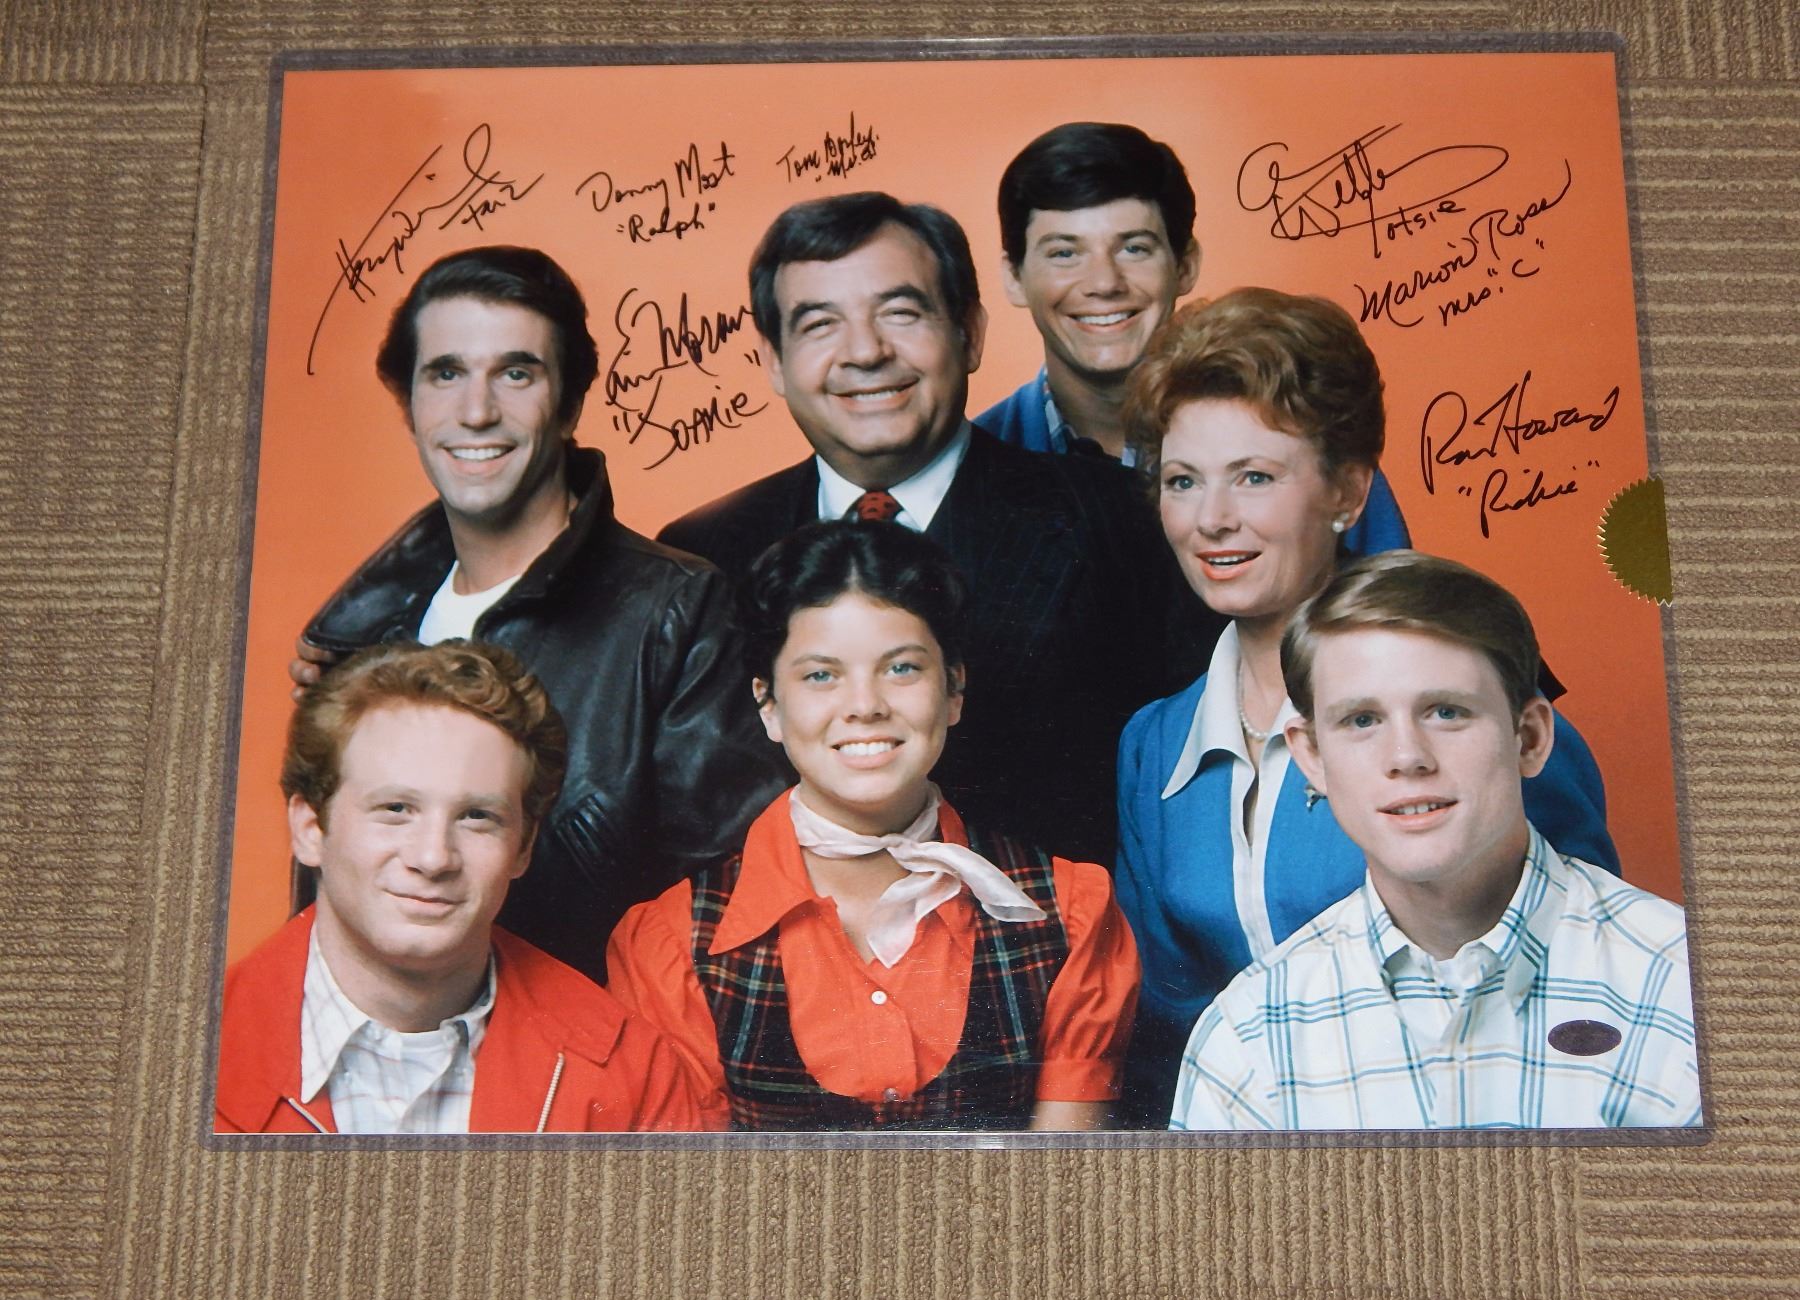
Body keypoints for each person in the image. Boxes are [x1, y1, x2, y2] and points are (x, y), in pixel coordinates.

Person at [1114, 288, 1618, 1124]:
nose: (1212, 519)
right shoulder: (1154, 744)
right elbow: (1170, 1029)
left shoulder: (1467, 707)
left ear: (1346, 493)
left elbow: (1592, 979)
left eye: (1254, 477)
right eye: (1182, 481)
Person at [292, 246, 785, 982]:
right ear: (409, 404)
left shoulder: (676, 611)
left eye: (516, 373)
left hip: (586, 1042)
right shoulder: (360, 631)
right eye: (446, 373)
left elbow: (731, 913)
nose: (476, 411)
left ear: (570, 404)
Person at [659, 191, 1171, 864]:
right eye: (820, 324)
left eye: (900, 313)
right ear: (774, 361)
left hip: (1058, 922)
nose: (865, 352)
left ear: (971, 333)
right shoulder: (699, 557)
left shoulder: (1123, 520)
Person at [607, 521, 1140, 1130]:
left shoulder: (1070, 912)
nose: (865, 706)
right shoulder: (671, 942)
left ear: (954, 689)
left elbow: (1063, 1177)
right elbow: (694, 1186)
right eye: (820, 675)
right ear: (768, 705)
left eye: (902, 668)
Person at [1170, 552, 1700, 1130]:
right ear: (1312, 757)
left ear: (1529, 738)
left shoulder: (1687, 989)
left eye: (1446, 712)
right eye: (1362, 720)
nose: (1407, 757)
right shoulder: (1248, 1038)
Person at [216, 641, 706, 1134]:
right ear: (309, 829)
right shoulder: (189, 1051)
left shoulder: (633, 1071)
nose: (433, 858)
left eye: (476, 817)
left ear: (523, 847)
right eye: (395, 809)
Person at [975, 121, 1410, 555]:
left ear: (1185, 265)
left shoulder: (1304, 433)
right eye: (1065, 253)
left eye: (1134, 248)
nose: (1104, 283)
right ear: (1014, 278)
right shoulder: (973, 465)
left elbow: (1393, 592)